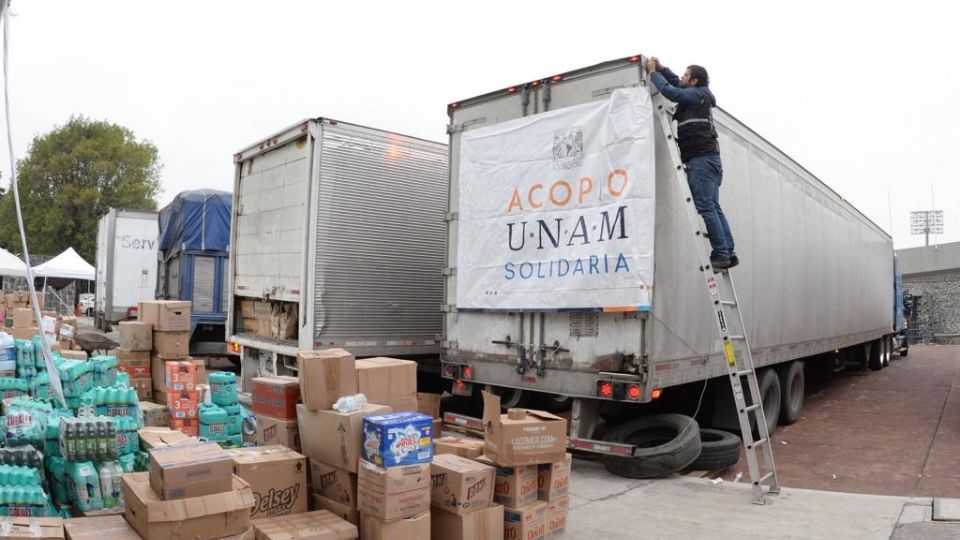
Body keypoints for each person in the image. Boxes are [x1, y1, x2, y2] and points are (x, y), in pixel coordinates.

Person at [646, 57, 737, 270]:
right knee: (713, 206)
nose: (682, 77)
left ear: (695, 81)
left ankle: (721, 254)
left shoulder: (698, 95)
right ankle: (728, 251)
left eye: (686, 75)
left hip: (701, 161)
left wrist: (653, 74)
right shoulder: (699, 95)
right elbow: (677, 84)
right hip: (709, 160)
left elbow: (673, 92)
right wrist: (662, 69)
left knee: (706, 207)